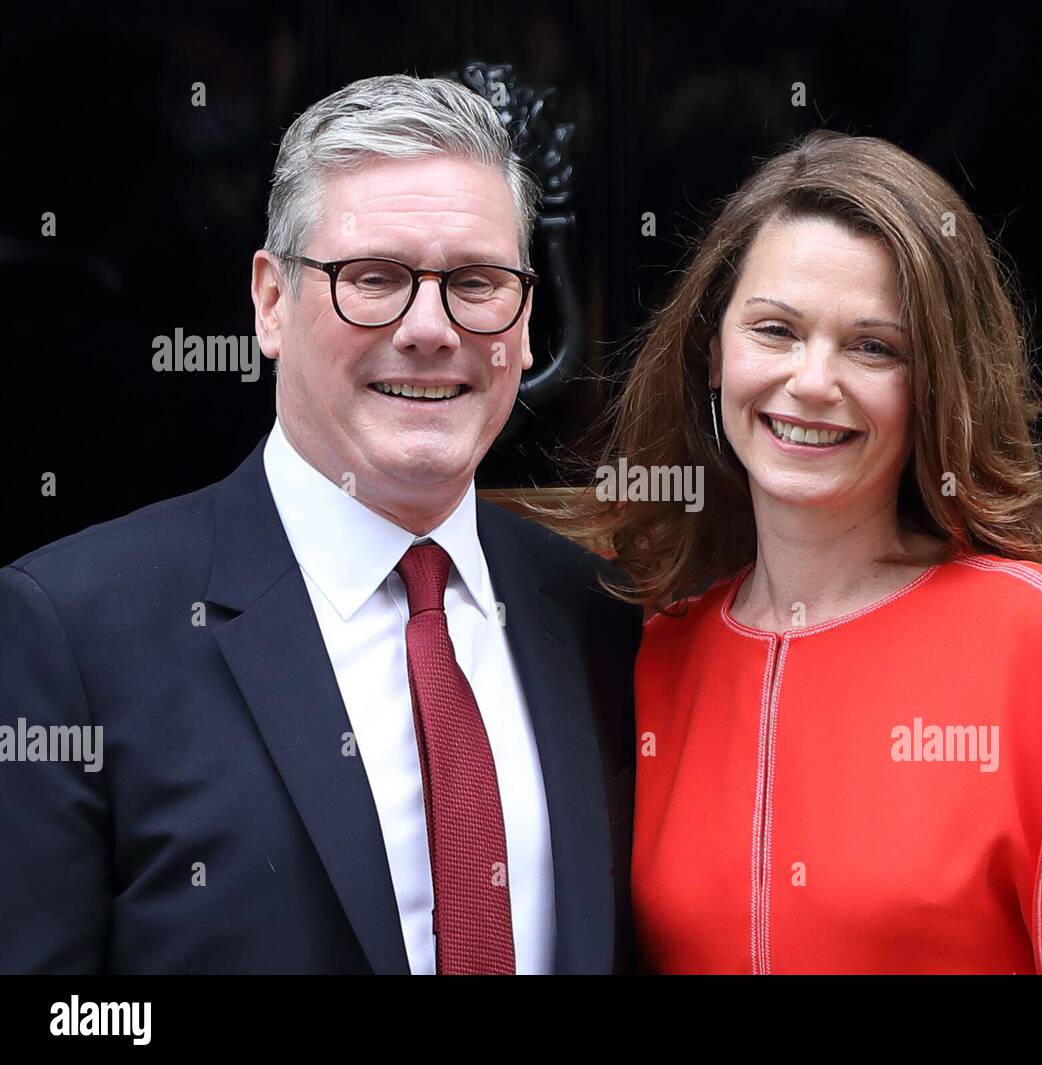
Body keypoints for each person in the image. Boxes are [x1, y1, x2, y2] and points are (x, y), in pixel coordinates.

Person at [0, 74, 640, 975]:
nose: (430, 327)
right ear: (269, 301)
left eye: (476, 281)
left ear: (526, 320)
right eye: (372, 279)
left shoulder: (597, 616)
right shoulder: (70, 632)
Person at [578, 130, 1042, 973]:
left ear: (934, 382)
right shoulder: (660, 652)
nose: (813, 380)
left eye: (872, 346)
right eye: (775, 329)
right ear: (713, 354)